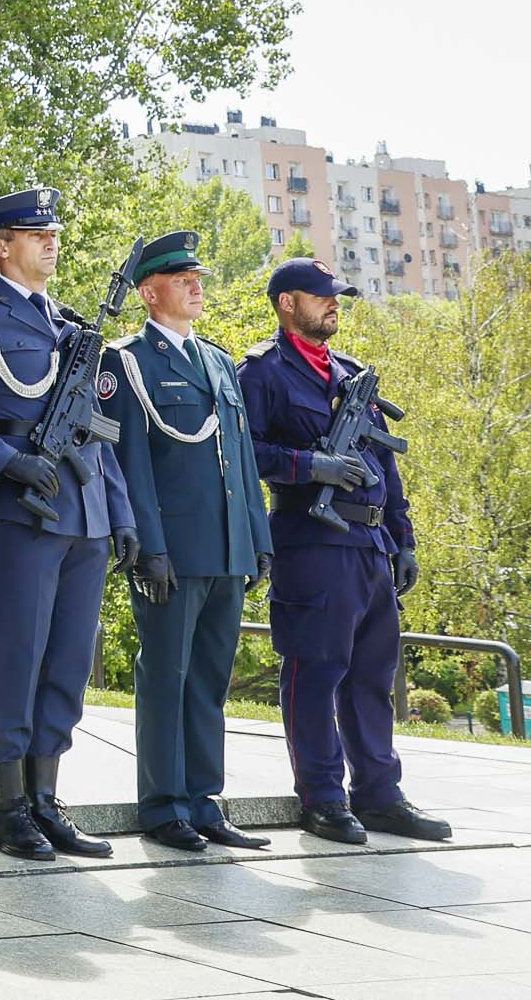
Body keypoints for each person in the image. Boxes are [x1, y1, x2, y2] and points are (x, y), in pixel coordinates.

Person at [0, 186, 136, 859]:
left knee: (70, 660)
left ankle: (48, 798)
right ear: (1, 245)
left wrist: (122, 514)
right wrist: (5, 463)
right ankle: (10, 803)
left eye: (54, 232)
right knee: (18, 653)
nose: (51, 242)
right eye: (34, 233)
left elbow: (97, 432)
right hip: (21, 504)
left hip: (85, 510)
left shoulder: (73, 327)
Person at [240, 257, 449, 845]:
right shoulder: (262, 373)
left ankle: (380, 796)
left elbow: (386, 463)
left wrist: (403, 539)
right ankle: (324, 798)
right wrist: (310, 464)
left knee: (372, 678)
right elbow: (243, 453)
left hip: (369, 543)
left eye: (338, 296)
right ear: (288, 303)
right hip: (311, 540)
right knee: (316, 672)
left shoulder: (352, 374)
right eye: (322, 296)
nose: (334, 304)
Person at [98, 230, 270, 853]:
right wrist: (148, 546)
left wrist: (258, 535)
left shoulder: (220, 362)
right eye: (182, 279)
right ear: (149, 292)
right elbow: (130, 461)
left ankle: (205, 798)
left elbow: (242, 458)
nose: (198, 285)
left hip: (226, 547)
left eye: (198, 276)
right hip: (173, 548)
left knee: (210, 680)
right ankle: (164, 804)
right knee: (165, 676)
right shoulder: (126, 363)